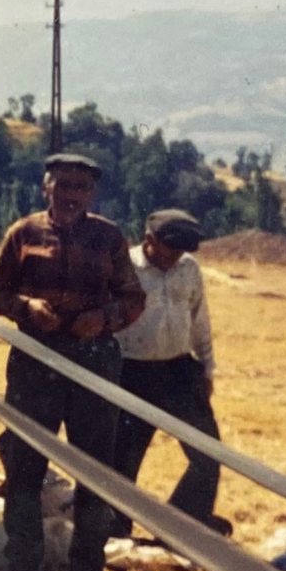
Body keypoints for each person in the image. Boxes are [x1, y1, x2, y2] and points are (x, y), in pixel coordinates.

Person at [0, 152, 146, 571]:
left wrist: (105, 318)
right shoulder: (23, 233)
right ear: (45, 187)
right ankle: (23, 565)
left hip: (94, 362)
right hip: (35, 361)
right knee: (24, 463)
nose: (71, 195)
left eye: (81, 188)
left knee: (94, 469)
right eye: (63, 185)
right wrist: (25, 307)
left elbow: (133, 298)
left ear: (92, 194)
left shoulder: (109, 237)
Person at [112, 209, 231, 536]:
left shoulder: (188, 269)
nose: (174, 258)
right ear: (149, 240)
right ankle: (115, 529)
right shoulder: (123, 266)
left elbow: (199, 318)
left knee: (208, 454)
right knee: (123, 459)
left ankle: (182, 529)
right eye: (169, 251)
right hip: (130, 371)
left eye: (180, 253)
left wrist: (207, 368)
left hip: (179, 371)